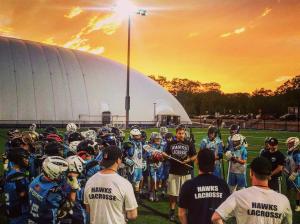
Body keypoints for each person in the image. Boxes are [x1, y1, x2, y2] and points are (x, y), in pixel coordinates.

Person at [211, 157, 292, 224]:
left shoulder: (238, 195)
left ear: (251, 173)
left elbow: (215, 218)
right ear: (270, 175)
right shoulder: (283, 200)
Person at [84, 146, 138, 224]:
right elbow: (132, 215)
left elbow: (88, 209)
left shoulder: (90, 181)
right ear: (118, 160)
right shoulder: (124, 183)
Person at [178, 148, 230, 224]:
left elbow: (181, 214)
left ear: (197, 162)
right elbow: (226, 212)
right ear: (213, 162)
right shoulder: (223, 184)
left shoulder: (188, 185)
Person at [164, 125, 197, 221]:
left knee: (186, 194)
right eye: (179, 133)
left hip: (186, 173)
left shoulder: (189, 143)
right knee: (173, 194)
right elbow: (166, 155)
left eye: (183, 133)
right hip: (173, 172)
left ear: (185, 133)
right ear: (176, 133)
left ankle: (186, 212)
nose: (181, 135)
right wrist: (165, 155)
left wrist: (188, 160)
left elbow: (195, 155)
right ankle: (172, 211)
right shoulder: (170, 143)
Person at [285, 137, 300, 211]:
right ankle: (287, 204)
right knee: (288, 189)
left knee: (297, 190)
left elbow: (298, 165)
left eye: (290, 144)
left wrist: (294, 174)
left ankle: (298, 205)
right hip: (288, 173)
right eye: (288, 144)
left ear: (295, 144)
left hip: (295, 174)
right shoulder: (288, 152)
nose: (288, 145)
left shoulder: (297, 154)